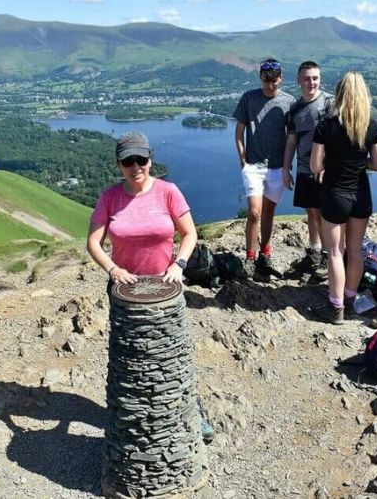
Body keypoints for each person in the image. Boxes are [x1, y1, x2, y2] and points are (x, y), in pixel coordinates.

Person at [86, 131, 214, 442]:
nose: (135, 166)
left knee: (175, 355)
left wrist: (179, 264)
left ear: (150, 159)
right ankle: (131, 420)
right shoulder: (110, 197)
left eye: (141, 159)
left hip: (166, 288)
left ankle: (191, 411)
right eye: (128, 161)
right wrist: (113, 269)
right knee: (130, 359)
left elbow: (190, 234)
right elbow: (93, 242)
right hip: (125, 292)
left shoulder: (168, 192)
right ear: (119, 164)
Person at [310, 72, 377, 323]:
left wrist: (334, 162)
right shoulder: (370, 126)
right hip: (361, 194)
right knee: (355, 251)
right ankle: (350, 301)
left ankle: (336, 307)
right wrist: (357, 162)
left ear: (340, 94)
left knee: (334, 252)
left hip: (335, 194)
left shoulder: (326, 126)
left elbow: (314, 165)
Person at [233, 58, 295, 279]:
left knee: (269, 212)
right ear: (260, 77)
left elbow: (292, 137)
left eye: (275, 81)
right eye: (267, 80)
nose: (271, 85)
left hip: (278, 167)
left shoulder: (288, 102)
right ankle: (250, 258)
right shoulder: (249, 98)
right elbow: (239, 131)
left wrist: (288, 167)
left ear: (281, 78)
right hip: (254, 165)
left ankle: (264, 257)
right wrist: (243, 160)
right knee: (254, 212)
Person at [282, 60, 333, 274]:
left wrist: (326, 165)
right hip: (304, 168)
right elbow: (292, 141)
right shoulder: (294, 109)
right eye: (307, 78)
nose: (311, 82)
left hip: (324, 170)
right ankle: (314, 253)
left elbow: (336, 138)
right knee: (311, 212)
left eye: (315, 78)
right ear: (299, 81)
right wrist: (286, 169)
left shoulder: (330, 103)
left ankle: (328, 258)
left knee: (324, 214)